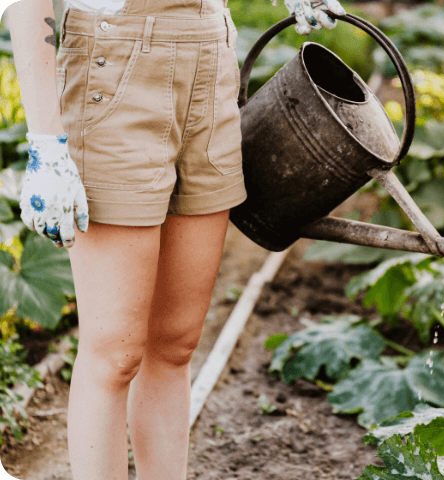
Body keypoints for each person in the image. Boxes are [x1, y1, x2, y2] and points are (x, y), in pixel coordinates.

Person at [6, 0, 345, 477]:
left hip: (211, 56)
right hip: (115, 64)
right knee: (116, 354)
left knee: (175, 345)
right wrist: (45, 142)